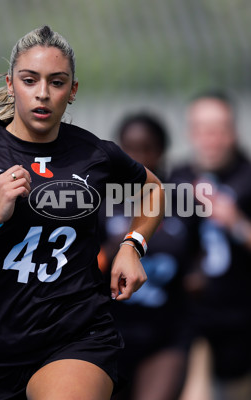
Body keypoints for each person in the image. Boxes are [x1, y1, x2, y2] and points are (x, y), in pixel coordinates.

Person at [0, 26, 164, 400]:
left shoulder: (95, 154)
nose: (43, 93)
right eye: (30, 80)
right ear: (11, 84)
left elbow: (153, 189)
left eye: (56, 82)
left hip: (76, 335)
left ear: (72, 91)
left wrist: (132, 245)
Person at [172, 91, 251, 400]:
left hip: (240, 319)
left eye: (217, 130)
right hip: (190, 319)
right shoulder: (177, 177)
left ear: (232, 133)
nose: (209, 139)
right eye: (202, 129)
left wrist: (237, 223)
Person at [98, 113, 197, 400]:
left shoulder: (181, 200)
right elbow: (86, 265)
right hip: (110, 332)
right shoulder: (102, 200)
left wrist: (197, 276)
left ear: (162, 151)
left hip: (165, 333)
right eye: (130, 148)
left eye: (147, 148)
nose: (138, 157)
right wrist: (120, 244)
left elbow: (200, 251)